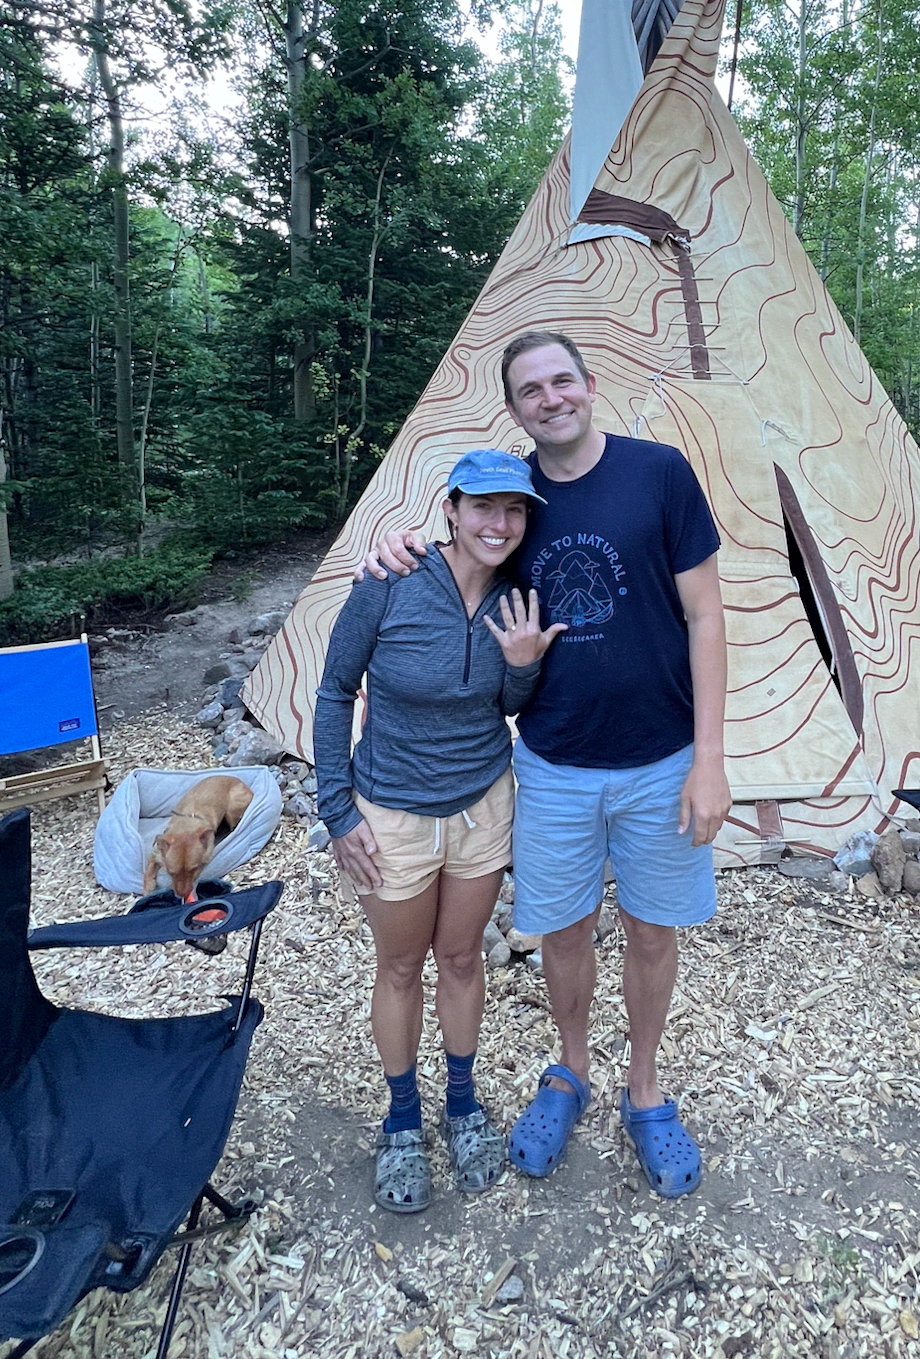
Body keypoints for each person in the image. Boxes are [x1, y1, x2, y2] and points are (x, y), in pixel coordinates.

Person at [364, 331, 730, 1198]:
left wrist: (710, 759)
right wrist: (392, 546)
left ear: (589, 385)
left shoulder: (660, 473)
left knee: (650, 928)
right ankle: (570, 1070)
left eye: (562, 379)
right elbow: (457, 557)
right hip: (555, 761)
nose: (551, 396)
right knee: (563, 930)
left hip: (662, 756)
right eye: (531, 389)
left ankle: (644, 1089)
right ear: (516, 407)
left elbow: (707, 616)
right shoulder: (511, 500)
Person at [315, 448, 564, 1214]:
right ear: (450, 508)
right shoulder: (389, 580)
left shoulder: (516, 595)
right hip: (391, 811)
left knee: (459, 957)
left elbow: (513, 698)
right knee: (399, 966)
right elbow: (333, 689)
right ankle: (400, 1119)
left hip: (481, 805)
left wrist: (523, 663)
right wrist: (337, 808)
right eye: (484, 506)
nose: (500, 522)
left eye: (515, 509)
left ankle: (461, 1102)